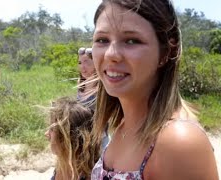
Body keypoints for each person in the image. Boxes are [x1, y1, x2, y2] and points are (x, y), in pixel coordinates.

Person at [90, 0, 219, 179]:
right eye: (102, 40)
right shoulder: (123, 126)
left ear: (166, 52)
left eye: (132, 41)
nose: (111, 54)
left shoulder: (178, 142)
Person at [44, 97, 99, 180]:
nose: (46, 134)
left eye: (52, 130)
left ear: (68, 139)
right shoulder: (64, 162)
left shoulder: (91, 176)